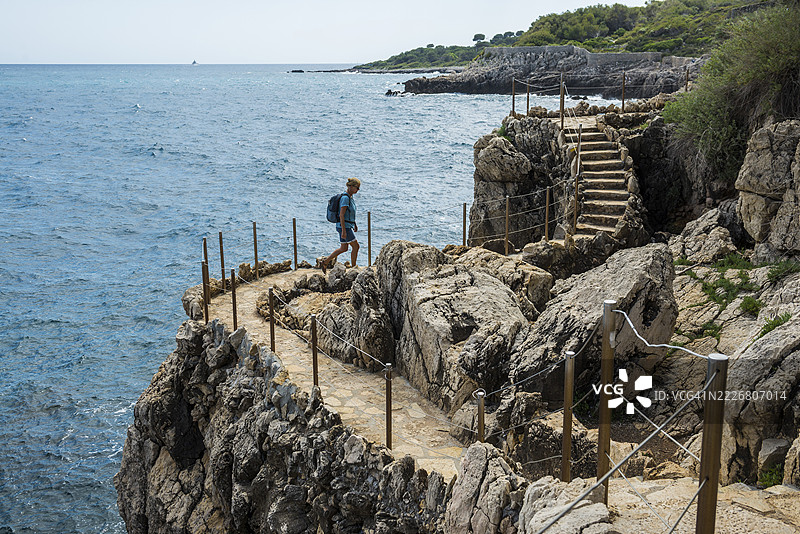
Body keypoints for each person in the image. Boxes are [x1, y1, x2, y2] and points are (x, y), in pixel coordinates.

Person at [322, 178, 360, 272]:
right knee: (356, 246)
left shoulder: (350, 197)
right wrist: (343, 231)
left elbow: (349, 213)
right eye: (356, 187)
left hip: (346, 226)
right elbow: (341, 215)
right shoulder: (345, 198)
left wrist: (354, 224)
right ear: (351, 186)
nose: (358, 190)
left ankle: (325, 262)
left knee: (344, 248)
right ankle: (354, 267)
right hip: (344, 227)